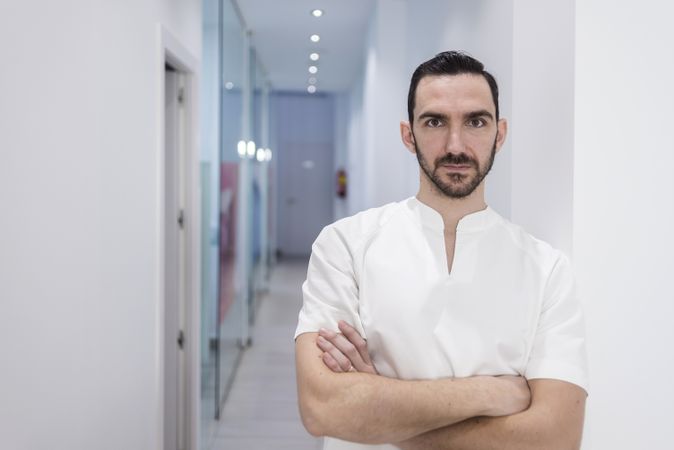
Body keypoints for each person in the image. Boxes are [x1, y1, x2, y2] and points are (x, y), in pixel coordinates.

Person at [294, 51, 588, 450]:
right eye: (434, 122)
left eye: (476, 121)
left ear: (499, 135)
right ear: (408, 134)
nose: (455, 144)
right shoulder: (345, 245)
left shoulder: (546, 269)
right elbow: (322, 408)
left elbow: (557, 437)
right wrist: (493, 393)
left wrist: (382, 412)